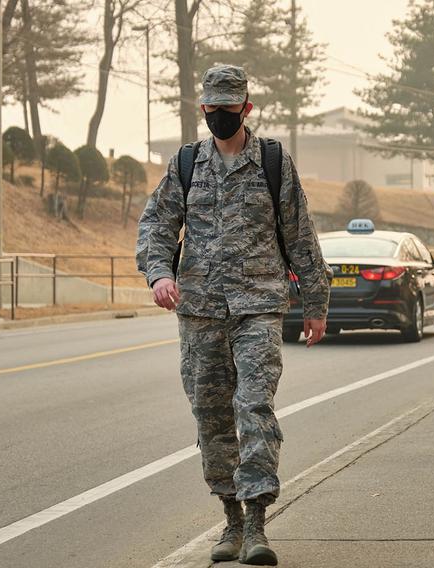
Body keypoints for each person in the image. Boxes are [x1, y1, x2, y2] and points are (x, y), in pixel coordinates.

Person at [136, 64, 331, 566]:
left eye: (229, 108)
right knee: (213, 417)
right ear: (203, 109)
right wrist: (159, 274)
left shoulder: (272, 161)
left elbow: (299, 233)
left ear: (246, 108)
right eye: (212, 109)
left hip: (259, 307)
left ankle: (259, 522)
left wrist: (316, 303)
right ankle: (231, 519)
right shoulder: (184, 164)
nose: (220, 116)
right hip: (199, 311)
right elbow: (157, 225)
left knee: (254, 408)